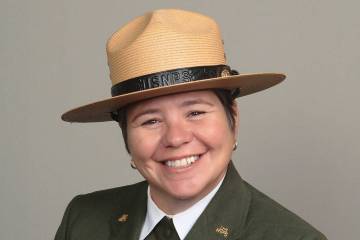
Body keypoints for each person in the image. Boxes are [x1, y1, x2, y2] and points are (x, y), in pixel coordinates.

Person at [55, 8, 327, 240]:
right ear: (125, 134)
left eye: (195, 113)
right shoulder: (83, 220)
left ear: (233, 117)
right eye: (151, 120)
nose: (176, 138)